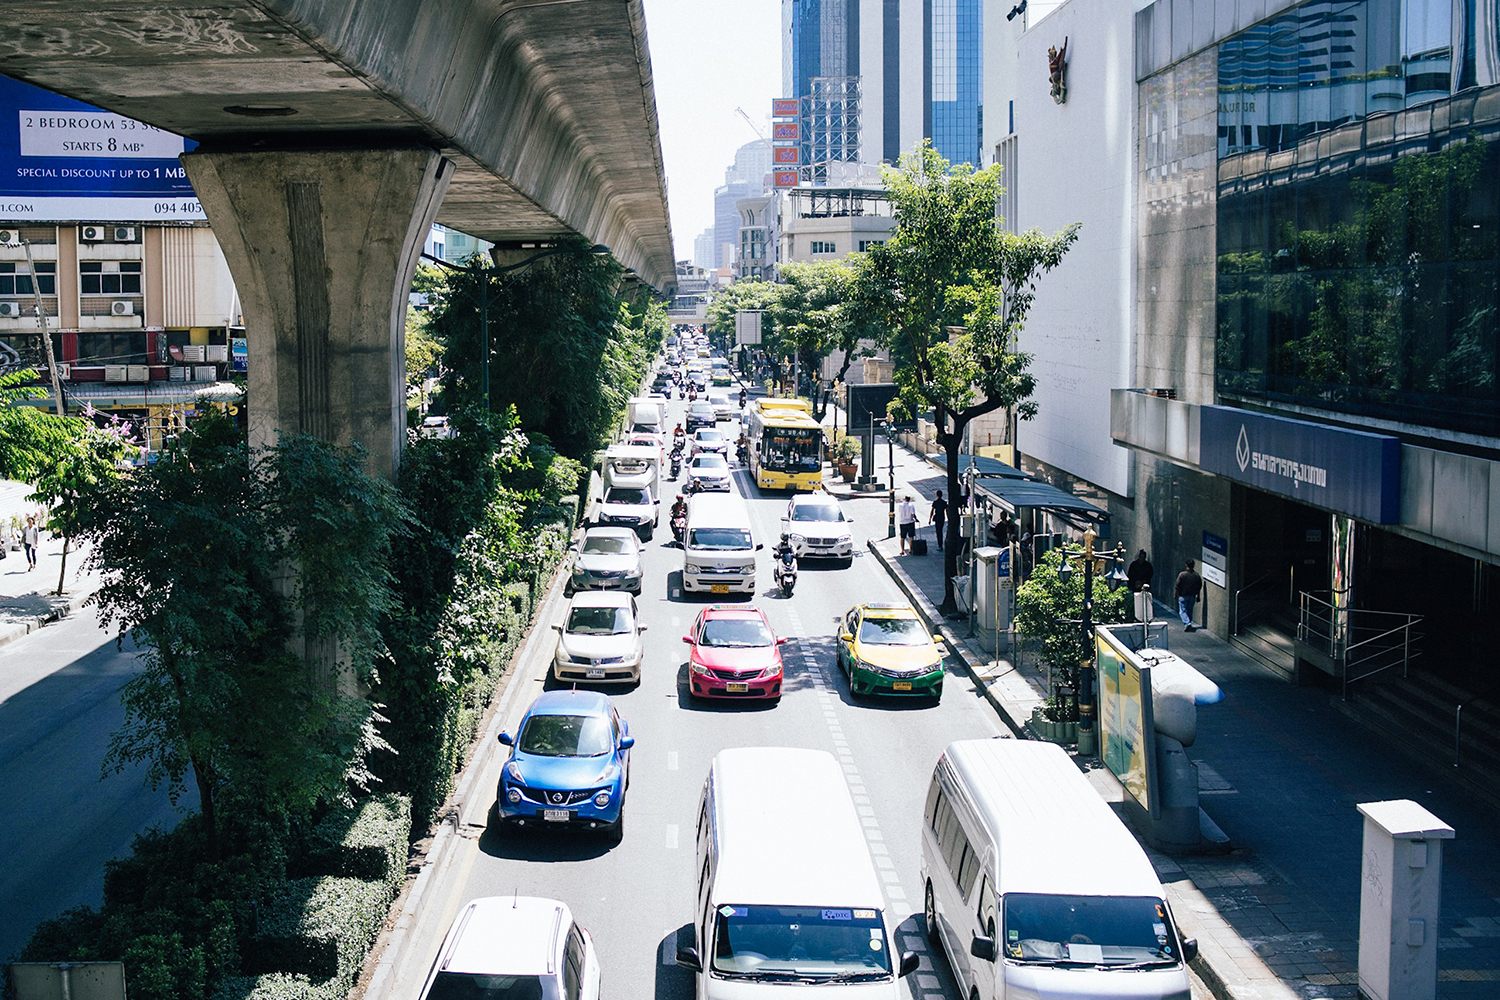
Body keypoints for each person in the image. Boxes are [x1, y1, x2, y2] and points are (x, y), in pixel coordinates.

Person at [1174, 559, 1203, 631]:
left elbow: (1177, 585)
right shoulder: (1196, 575)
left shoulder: (1182, 574)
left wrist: (1175, 594)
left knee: (1182, 611)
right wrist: (1198, 596)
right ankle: (1189, 622)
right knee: (1190, 610)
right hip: (1192, 596)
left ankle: (1187, 623)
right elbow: (1199, 587)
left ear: (1186, 565)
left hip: (1183, 596)